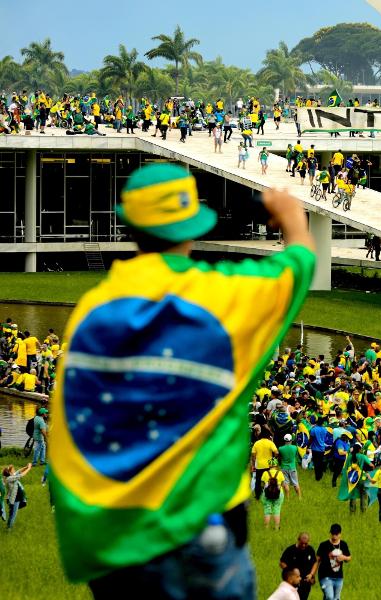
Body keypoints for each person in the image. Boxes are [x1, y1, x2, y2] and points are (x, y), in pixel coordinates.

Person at [49, 162, 316, 598]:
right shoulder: (228, 296)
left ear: (130, 225)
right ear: (192, 226)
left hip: (116, 546)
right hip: (203, 537)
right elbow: (300, 262)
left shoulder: (90, 312)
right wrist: (290, 217)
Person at [311, 524, 351, 600]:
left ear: (340, 534)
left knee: (336, 598)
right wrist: (312, 574)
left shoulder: (343, 544)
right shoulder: (323, 545)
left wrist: (344, 557)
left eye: (336, 534)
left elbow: (349, 557)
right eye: (332, 534)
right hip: (325, 576)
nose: (334, 536)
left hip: (339, 577)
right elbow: (317, 561)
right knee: (329, 597)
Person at [280, 533, 316, 600]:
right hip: (294, 582)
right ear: (298, 540)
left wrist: (311, 574)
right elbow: (282, 563)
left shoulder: (310, 550)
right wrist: (290, 574)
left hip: (306, 581)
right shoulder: (290, 550)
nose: (303, 545)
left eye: (306, 543)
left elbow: (314, 563)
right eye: (302, 543)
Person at [252, 429, 279, 500]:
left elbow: (253, 455)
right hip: (268, 465)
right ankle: (269, 494)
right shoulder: (270, 443)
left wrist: (253, 464)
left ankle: (257, 496)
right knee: (269, 480)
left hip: (259, 465)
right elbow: (276, 453)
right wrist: (273, 459)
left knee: (258, 481)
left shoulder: (256, 443)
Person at [2, 462, 32, 528]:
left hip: (17, 498)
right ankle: (9, 529)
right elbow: (21, 475)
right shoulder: (9, 478)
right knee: (13, 515)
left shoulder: (11, 476)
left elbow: (19, 471)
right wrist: (29, 468)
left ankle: (8, 527)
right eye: (13, 470)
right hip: (14, 500)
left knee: (12, 514)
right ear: (9, 472)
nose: (14, 471)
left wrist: (25, 467)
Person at [260, 460, 285, 530]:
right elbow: (282, 483)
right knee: (277, 510)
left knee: (267, 510)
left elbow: (262, 484)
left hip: (267, 494)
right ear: (276, 465)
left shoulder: (265, 473)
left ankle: (266, 528)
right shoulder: (280, 473)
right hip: (278, 494)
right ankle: (276, 528)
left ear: (269, 465)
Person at [278, 433, 301, 499]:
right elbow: (296, 456)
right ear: (291, 440)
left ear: (284, 440)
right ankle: (299, 497)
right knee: (296, 483)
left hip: (283, 467)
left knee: (286, 483)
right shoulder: (295, 448)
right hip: (292, 467)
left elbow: (279, 458)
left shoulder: (280, 448)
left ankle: (287, 498)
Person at [308, 417, 328, 481]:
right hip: (322, 449)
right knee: (320, 462)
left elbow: (311, 439)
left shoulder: (313, 429)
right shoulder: (325, 430)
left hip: (315, 449)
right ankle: (320, 473)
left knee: (316, 463)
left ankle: (317, 477)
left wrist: (307, 446)